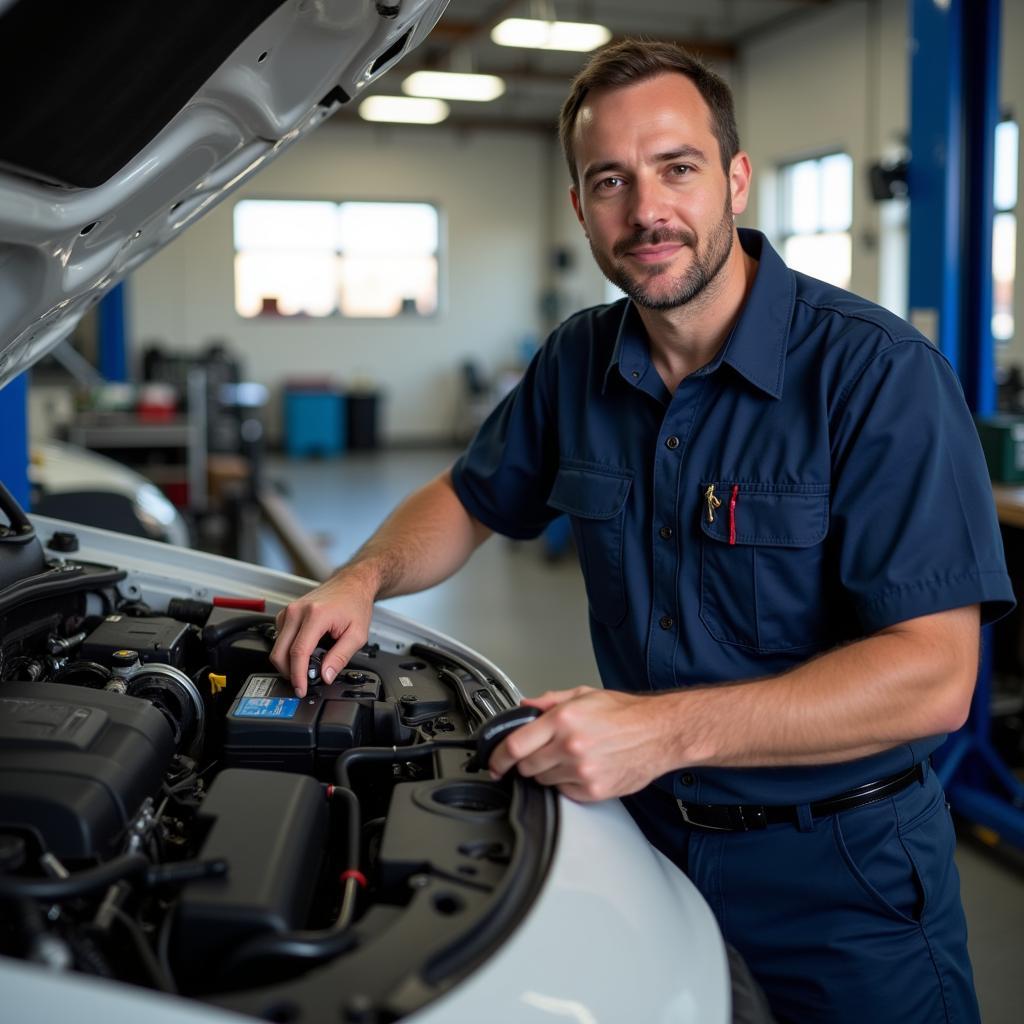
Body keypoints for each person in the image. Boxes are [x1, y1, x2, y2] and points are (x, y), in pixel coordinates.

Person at [271, 40, 1014, 1023]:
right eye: (609, 180)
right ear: (579, 206)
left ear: (735, 179)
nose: (645, 210)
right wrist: (361, 576)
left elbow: (932, 676)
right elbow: (469, 494)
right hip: (642, 846)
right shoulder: (579, 359)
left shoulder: (875, 375)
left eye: (677, 167)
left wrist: (658, 730)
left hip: (842, 884)